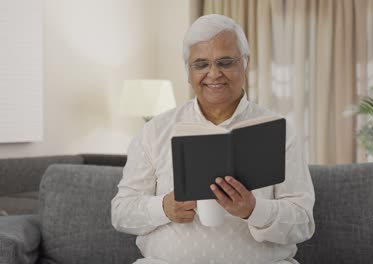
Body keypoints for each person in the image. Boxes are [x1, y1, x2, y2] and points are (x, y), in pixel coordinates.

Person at [111, 14, 315, 264]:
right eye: (201, 64)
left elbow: (303, 223)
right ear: (188, 71)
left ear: (245, 63)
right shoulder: (155, 131)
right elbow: (120, 213)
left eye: (225, 62)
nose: (214, 74)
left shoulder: (279, 131)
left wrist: (254, 209)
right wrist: (163, 208)